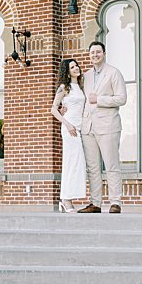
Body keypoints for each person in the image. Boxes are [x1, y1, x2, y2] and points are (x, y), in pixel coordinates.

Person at [79, 40, 126, 214]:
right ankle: (95, 203)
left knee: (111, 165)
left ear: (104, 53)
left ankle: (115, 202)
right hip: (88, 128)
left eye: (98, 52)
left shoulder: (114, 73)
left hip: (108, 126)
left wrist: (99, 99)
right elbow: (84, 99)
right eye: (92, 52)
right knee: (92, 167)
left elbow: (122, 98)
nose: (95, 55)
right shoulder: (87, 75)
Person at [50, 58, 87, 213]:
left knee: (77, 164)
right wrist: (67, 124)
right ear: (67, 71)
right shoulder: (64, 87)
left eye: (76, 65)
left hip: (80, 127)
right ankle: (66, 199)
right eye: (72, 67)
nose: (76, 68)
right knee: (71, 163)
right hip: (70, 128)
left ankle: (66, 198)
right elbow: (53, 109)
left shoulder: (81, 86)